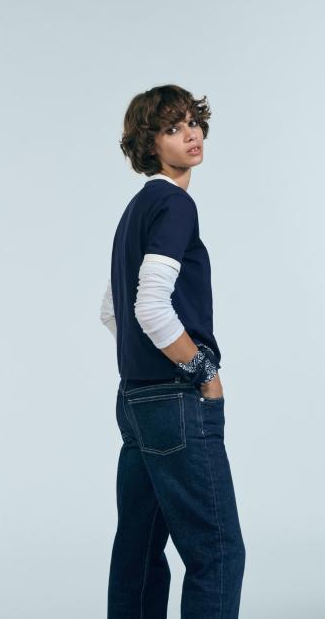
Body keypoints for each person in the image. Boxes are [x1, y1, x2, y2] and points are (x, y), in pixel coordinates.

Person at [100, 84, 246, 618]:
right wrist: (202, 370)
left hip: (136, 401)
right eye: (171, 128)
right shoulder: (175, 204)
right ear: (150, 144)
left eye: (192, 122)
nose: (190, 134)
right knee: (218, 552)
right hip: (176, 402)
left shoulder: (136, 210)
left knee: (138, 552)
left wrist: (143, 363)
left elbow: (111, 310)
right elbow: (149, 307)